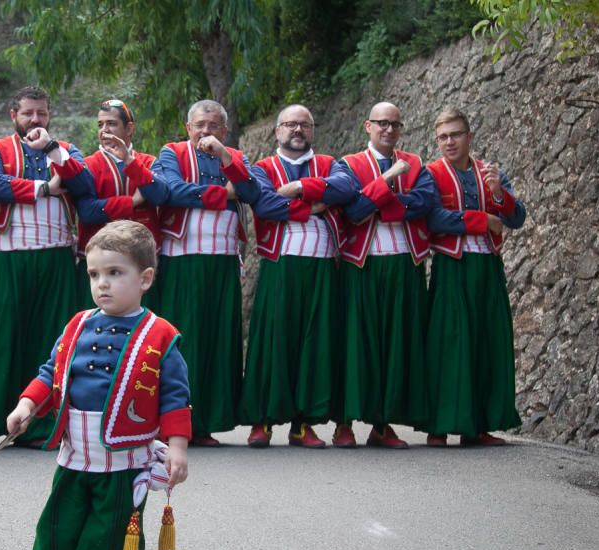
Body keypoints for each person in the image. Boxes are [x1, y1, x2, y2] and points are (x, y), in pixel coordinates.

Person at [5, 220, 190, 550]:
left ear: (145, 279)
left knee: (117, 530)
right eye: (94, 274)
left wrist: (177, 446)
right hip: (75, 455)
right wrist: (25, 405)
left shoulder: (161, 336)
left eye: (114, 273)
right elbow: (50, 372)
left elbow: (176, 397)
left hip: (126, 461)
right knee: (59, 523)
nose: (102, 283)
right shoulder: (77, 324)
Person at [0, 86, 88, 448]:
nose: (35, 120)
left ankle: (39, 427)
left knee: (50, 342)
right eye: (28, 113)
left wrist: (51, 149)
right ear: (13, 115)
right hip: (7, 254)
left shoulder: (63, 149)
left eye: (42, 113)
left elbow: (84, 182)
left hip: (54, 255)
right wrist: (43, 189)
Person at [316, 102, 437, 448]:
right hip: (362, 263)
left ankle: (382, 424)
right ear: (368, 126)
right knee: (355, 344)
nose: (388, 129)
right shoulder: (349, 165)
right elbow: (353, 211)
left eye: (395, 124)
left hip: (405, 262)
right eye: (382, 123)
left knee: (397, 344)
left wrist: (378, 201)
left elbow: (425, 204)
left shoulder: (415, 164)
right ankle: (344, 422)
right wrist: (387, 186)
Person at [152, 99, 259, 445]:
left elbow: (252, 192)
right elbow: (170, 191)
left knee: (219, 340)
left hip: (223, 258)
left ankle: (208, 421)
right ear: (188, 128)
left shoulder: (234, 158)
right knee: (185, 340)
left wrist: (227, 161)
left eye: (214, 126)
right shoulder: (172, 153)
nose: (206, 132)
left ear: (224, 131)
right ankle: (175, 422)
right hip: (183, 258)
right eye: (200, 125)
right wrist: (225, 193)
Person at [242, 104, 346, 448]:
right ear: (278, 131)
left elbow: (345, 189)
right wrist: (315, 203)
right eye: (290, 124)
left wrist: (298, 186)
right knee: (273, 341)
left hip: (321, 264)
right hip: (280, 264)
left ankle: (304, 423)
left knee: (315, 344)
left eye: (304, 125)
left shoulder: (330, 164)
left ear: (313, 131)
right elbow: (265, 205)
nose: (297, 130)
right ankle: (263, 420)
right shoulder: (263, 168)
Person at [425, 108, 526, 445]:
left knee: (487, 341)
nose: (449, 142)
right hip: (452, 266)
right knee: (449, 343)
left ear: (469, 136)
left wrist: (499, 195)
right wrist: (483, 219)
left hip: (487, 266)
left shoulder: (490, 172)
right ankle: (439, 425)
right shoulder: (432, 173)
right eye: (443, 137)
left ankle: (478, 425)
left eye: (455, 134)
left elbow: (517, 218)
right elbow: (435, 220)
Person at [63, 99, 169, 300]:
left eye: (111, 123)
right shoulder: (87, 165)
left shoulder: (149, 162)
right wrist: (132, 202)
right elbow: (87, 212)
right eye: (100, 125)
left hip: (142, 263)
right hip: (98, 266)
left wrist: (130, 162)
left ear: (129, 128)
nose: (104, 130)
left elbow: (160, 195)